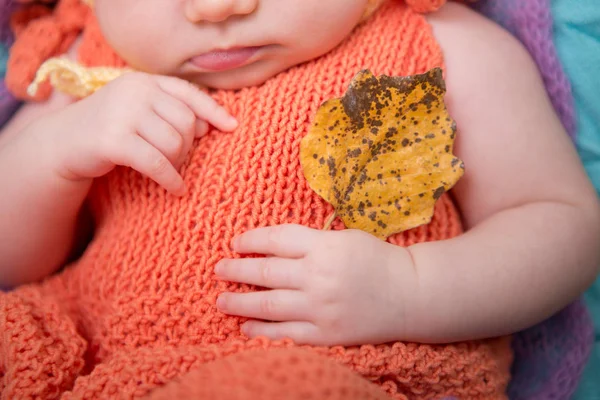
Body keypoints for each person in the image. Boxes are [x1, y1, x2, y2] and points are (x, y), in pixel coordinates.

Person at [1, 0, 598, 398]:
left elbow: (559, 223)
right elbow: (12, 263)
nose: (217, 8)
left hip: (347, 372)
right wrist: (57, 151)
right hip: (97, 368)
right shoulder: (87, 61)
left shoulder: (439, 46)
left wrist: (408, 290)